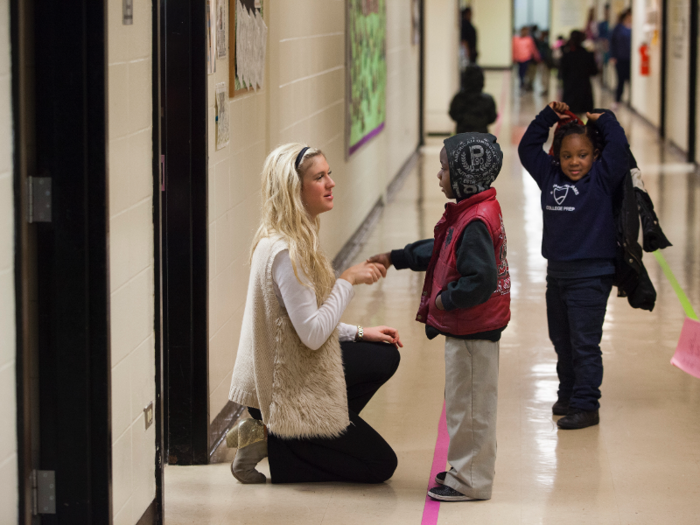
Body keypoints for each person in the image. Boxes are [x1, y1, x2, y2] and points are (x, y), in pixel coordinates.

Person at [226, 143, 403, 484]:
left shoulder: (288, 236)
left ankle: (309, 435)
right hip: (278, 390)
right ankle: (280, 442)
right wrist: (347, 281)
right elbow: (311, 335)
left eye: (329, 174)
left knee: (383, 355)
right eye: (319, 177)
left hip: (289, 368)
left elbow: (301, 323)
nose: (330, 183)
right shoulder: (286, 252)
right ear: (295, 190)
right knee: (381, 465)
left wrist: (361, 332)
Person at [369, 133, 511, 501]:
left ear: (466, 175)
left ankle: (471, 481)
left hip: (473, 329)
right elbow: (442, 249)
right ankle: (468, 470)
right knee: (466, 404)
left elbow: (481, 280)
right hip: (470, 328)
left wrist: (446, 301)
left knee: (472, 408)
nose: (438, 176)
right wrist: (397, 257)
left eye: (444, 169)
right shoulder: (470, 212)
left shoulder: (475, 221)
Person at [518, 101, 630, 430]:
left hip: (591, 278)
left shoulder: (601, 180)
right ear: (557, 156)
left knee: (584, 343)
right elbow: (527, 148)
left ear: (594, 155)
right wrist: (547, 117)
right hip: (558, 276)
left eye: (582, 155)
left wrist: (606, 120)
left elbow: (620, 149)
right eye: (567, 156)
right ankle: (567, 393)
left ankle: (586, 405)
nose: (574, 162)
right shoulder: (549, 175)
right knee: (561, 339)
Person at [449, 66, 497, 134]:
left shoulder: (458, 98)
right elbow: (492, 118)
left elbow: (453, 114)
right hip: (482, 137)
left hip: (462, 136)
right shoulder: (488, 100)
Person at [560, 30, 598, 114]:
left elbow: (562, 73)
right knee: (583, 115)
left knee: (570, 114)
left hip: (569, 90)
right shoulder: (587, 54)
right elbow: (594, 71)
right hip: (584, 90)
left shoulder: (567, 55)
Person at [610, 8, 632, 108]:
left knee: (630, 79)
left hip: (631, 59)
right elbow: (612, 42)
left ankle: (630, 100)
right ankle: (617, 100)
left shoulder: (634, 27)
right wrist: (613, 56)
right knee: (621, 79)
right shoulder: (618, 28)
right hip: (620, 58)